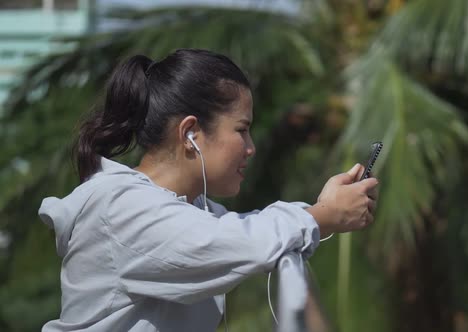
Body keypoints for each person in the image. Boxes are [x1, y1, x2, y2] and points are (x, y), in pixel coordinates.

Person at [39, 48, 379, 331]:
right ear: (190, 133)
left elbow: (251, 227)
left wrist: (322, 208)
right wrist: (326, 215)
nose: (251, 147)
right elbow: (239, 241)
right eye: (242, 129)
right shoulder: (121, 208)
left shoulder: (192, 211)